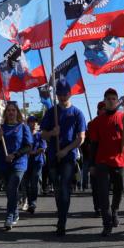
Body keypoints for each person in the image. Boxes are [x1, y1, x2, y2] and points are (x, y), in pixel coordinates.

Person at [40, 82, 87, 237]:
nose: (62, 96)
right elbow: (42, 134)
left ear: (70, 94)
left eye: (65, 94)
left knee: (65, 187)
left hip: (68, 156)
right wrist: (52, 133)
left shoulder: (77, 113)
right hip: (53, 155)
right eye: (59, 94)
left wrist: (66, 150)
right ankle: (61, 213)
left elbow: (81, 138)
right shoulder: (51, 112)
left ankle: (62, 220)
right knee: (57, 188)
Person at [88, 88, 124, 237]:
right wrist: (92, 164)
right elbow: (93, 144)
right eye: (108, 98)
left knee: (119, 190)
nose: (111, 101)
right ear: (105, 101)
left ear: (118, 101)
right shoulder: (96, 122)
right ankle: (106, 223)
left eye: (114, 98)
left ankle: (115, 210)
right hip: (102, 161)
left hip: (121, 160)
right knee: (103, 193)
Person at [0, 102, 33, 230]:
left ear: (17, 112)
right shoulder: (1, 128)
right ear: (5, 113)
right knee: (10, 191)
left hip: (19, 163)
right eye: (8, 110)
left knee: (12, 187)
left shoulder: (23, 127)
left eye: (13, 110)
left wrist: (15, 155)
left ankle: (9, 217)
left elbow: (28, 146)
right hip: (3, 163)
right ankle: (16, 212)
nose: (11, 112)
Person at [24, 115, 45, 214]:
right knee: (27, 183)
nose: (34, 123)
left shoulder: (40, 135)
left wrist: (32, 152)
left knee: (34, 182)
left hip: (37, 161)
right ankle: (28, 200)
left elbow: (42, 148)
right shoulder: (25, 135)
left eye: (35, 122)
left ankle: (33, 203)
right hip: (26, 162)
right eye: (31, 122)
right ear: (28, 123)